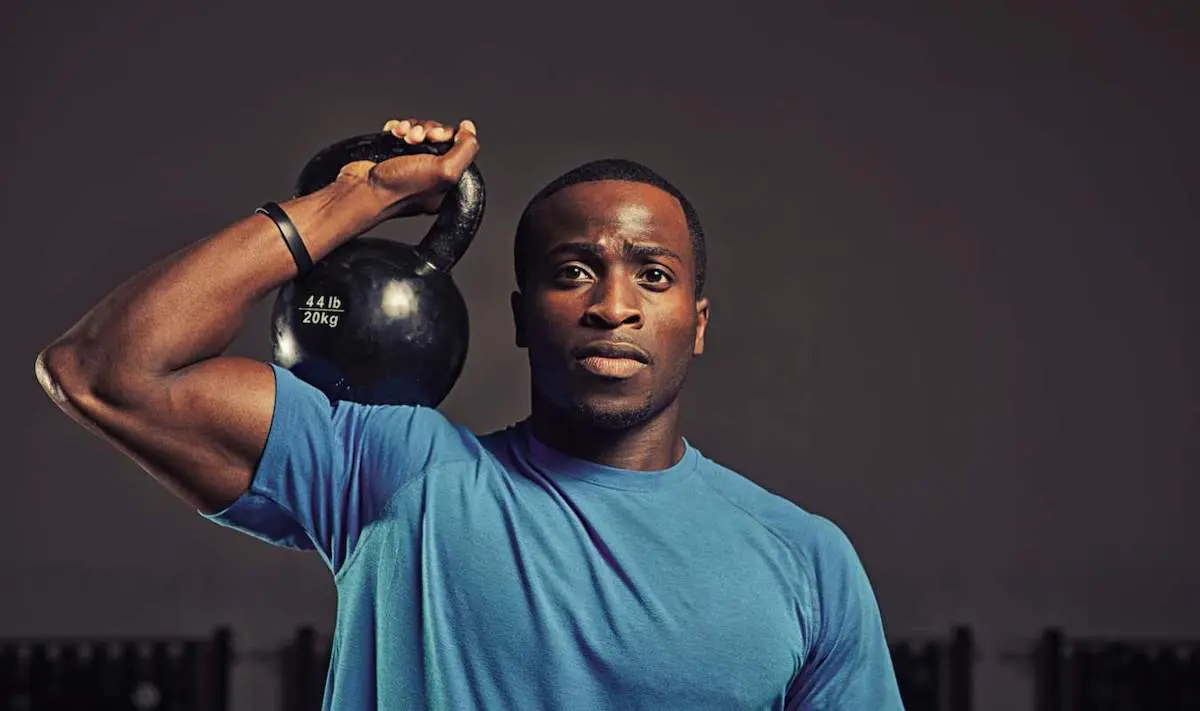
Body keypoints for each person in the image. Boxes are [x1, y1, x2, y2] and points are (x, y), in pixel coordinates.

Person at [35, 116, 904, 710]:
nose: (613, 305)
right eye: (573, 271)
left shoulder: (808, 563)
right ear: (522, 315)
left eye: (654, 274)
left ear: (697, 322)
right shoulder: (396, 474)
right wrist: (359, 199)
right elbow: (103, 368)